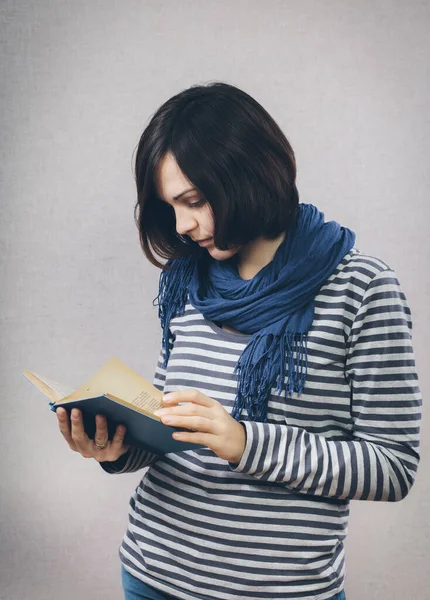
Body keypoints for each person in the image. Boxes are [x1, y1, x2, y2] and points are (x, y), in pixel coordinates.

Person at [56, 82, 422, 600]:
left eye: (195, 201)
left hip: (276, 591)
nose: (183, 226)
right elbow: (176, 429)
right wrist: (115, 446)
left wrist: (248, 443)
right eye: (171, 207)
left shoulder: (362, 289)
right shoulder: (187, 280)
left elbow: (393, 467)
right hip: (151, 573)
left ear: (248, 175)